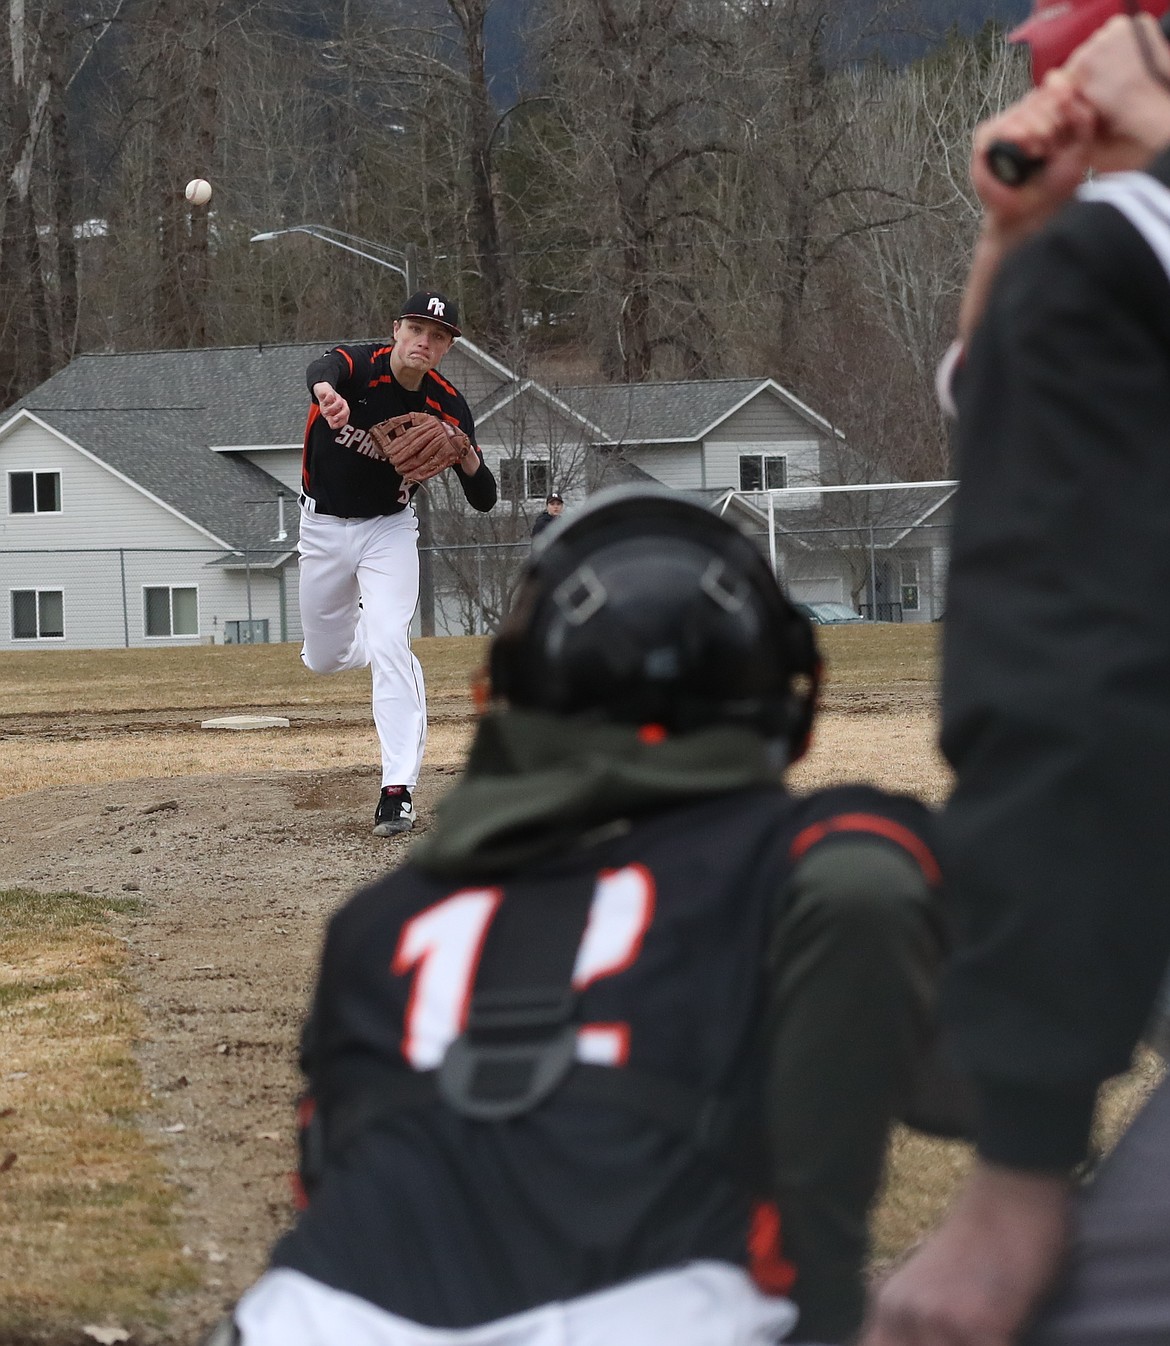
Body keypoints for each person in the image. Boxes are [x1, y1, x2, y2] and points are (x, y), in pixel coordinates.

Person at [216, 487, 948, 1346]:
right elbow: (912, 969)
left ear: (513, 699)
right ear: (786, 696)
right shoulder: (809, 852)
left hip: (305, 1317)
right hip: (652, 1309)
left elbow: (328, 1179)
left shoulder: (377, 922)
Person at [862, 13, 1170, 1346]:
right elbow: (998, 389)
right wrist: (1020, 239)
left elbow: (1070, 706)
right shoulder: (1086, 269)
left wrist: (1016, 1169)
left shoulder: (1099, 275)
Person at [298, 290, 498, 837]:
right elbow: (321, 368)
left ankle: (397, 789)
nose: (424, 342)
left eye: (437, 336)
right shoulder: (356, 367)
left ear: (447, 347)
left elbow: (485, 499)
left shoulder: (448, 405)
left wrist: (467, 454)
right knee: (324, 658)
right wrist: (326, 394)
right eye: (416, 329)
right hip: (321, 528)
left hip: (388, 530)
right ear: (397, 330)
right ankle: (363, 638)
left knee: (392, 642)